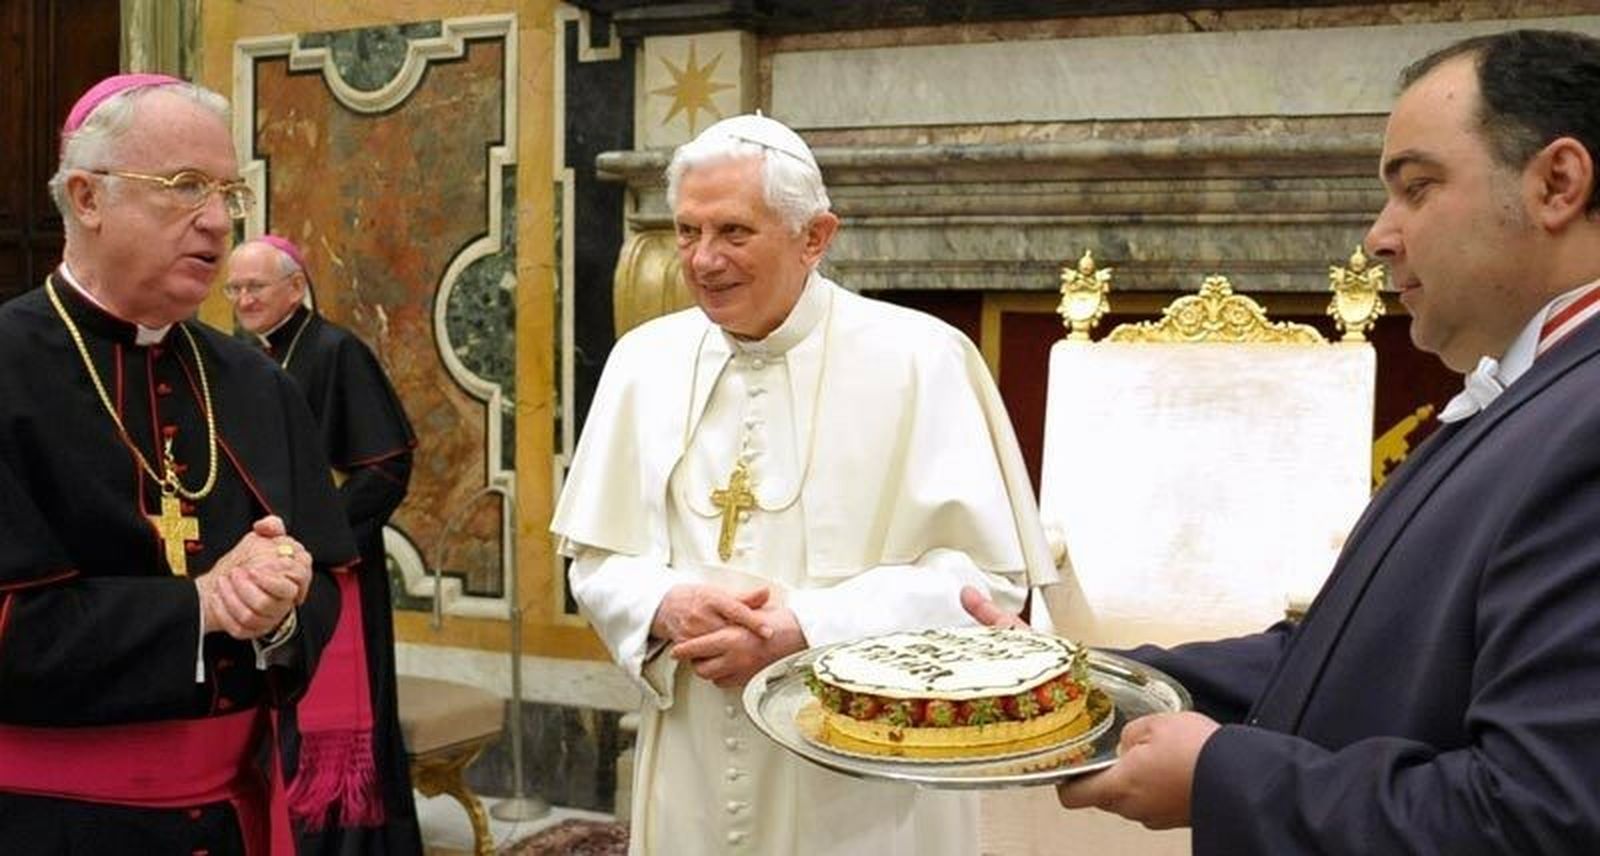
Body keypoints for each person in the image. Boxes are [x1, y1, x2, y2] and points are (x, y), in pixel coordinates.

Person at [964, 28, 1600, 855]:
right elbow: (1348, 652)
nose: (1379, 237)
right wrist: (1079, 685)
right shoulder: (1539, 393)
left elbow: (1539, 817)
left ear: (1557, 183)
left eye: (1417, 187)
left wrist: (1221, 776)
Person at [550, 114, 1057, 855]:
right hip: (695, 746)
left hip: (863, 761)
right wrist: (665, 602)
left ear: (814, 237)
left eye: (733, 232)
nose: (703, 260)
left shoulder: (922, 359)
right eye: (687, 232)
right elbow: (595, 560)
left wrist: (809, 628)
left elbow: (986, 585)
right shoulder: (641, 361)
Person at [0, 75, 352, 854]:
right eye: (186, 186)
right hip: (43, 826)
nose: (219, 220)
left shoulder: (258, 385)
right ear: (87, 197)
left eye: (229, 192)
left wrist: (278, 607)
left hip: (229, 821)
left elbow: (328, 577)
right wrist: (202, 605)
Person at [225, 236, 421, 854]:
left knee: (332, 738)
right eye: (234, 289)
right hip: (254, 570)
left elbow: (386, 467)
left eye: (256, 287)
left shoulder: (337, 351)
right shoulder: (232, 356)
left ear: (295, 287)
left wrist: (312, 536)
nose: (243, 299)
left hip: (335, 571)